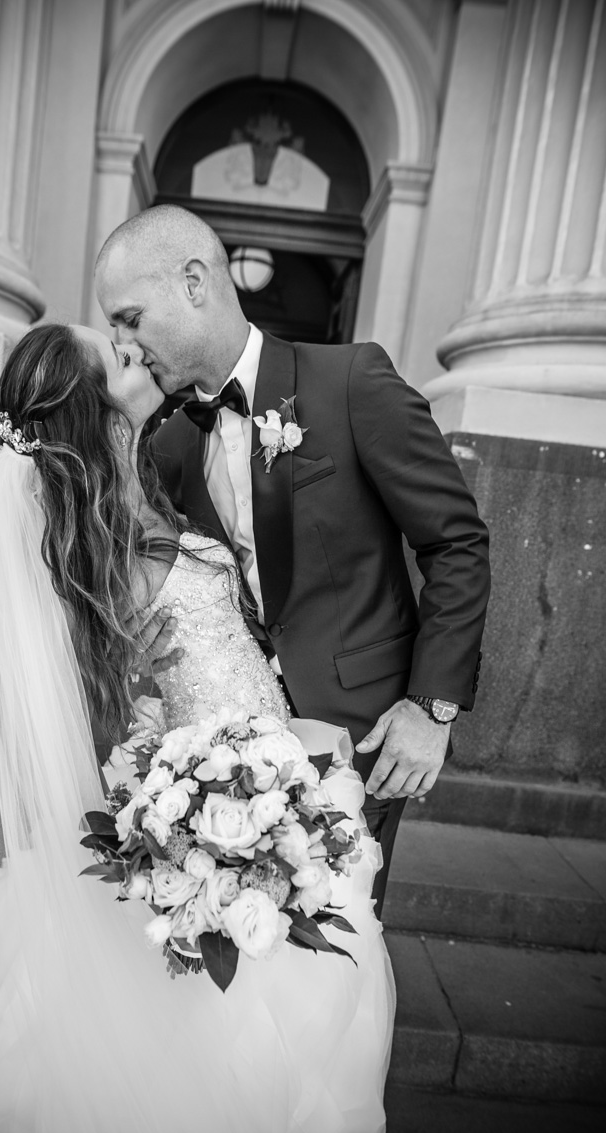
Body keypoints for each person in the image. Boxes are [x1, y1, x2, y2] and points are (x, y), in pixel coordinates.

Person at [0, 323, 394, 1133]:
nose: (137, 351)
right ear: (96, 413)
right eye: (119, 356)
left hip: (261, 762)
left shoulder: (132, 492)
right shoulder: (111, 545)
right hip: (237, 782)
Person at [95, 204, 491, 910]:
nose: (123, 344)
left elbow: (455, 541)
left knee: (345, 936)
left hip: (363, 740)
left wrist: (432, 709)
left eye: (129, 318)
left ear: (193, 282)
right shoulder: (168, 447)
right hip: (227, 759)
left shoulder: (351, 381)